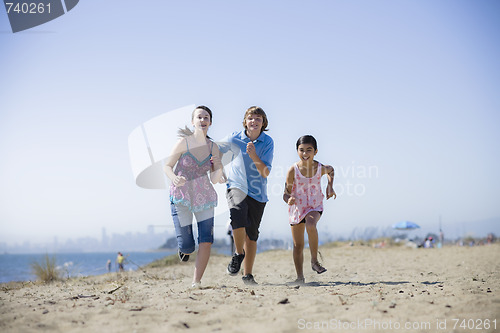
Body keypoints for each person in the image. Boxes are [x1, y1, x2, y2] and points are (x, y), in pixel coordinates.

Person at [164, 105, 225, 288]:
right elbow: (168, 166)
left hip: (204, 196)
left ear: (210, 122)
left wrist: (219, 171)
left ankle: (196, 281)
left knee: (206, 240)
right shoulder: (183, 143)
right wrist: (174, 178)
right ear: (193, 122)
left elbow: (214, 178)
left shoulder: (214, 147)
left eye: (206, 117)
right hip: (181, 195)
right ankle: (185, 249)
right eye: (199, 117)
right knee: (188, 245)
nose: (203, 120)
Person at [220, 106, 274, 285]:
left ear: (263, 123)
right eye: (251, 118)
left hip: (258, 193)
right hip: (236, 186)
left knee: (251, 236)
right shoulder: (234, 138)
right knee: (237, 215)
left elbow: (265, 172)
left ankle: (247, 274)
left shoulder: (267, 142)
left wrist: (254, 155)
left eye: (258, 119)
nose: (254, 121)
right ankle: (238, 254)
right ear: (245, 121)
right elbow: (216, 151)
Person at [283, 135, 336, 284]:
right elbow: (285, 193)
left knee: (311, 224)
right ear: (297, 151)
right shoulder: (292, 170)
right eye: (301, 150)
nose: (305, 154)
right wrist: (289, 200)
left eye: (309, 150)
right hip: (297, 209)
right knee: (297, 245)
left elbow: (331, 171)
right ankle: (300, 278)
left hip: (314, 205)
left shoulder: (320, 168)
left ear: (315, 151)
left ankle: (314, 261)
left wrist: (330, 186)